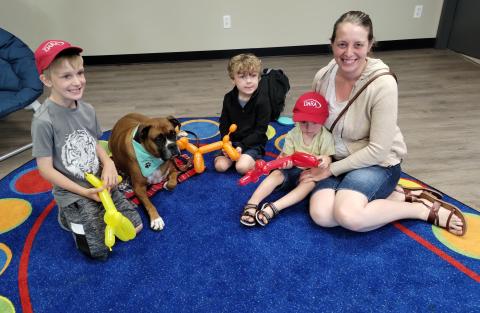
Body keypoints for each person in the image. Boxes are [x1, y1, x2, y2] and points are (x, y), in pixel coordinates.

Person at [301, 11, 466, 235]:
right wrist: (318, 156)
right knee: (322, 216)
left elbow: (378, 150)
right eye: (342, 44)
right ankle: (398, 194)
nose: (348, 53)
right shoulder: (323, 76)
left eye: (358, 44)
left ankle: (419, 208)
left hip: (376, 162)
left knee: (348, 216)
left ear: (370, 45)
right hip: (336, 157)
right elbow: (316, 123)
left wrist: (331, 169)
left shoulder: (383, 84)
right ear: (331, 44)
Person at [31, 40, 143, 260]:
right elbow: (45, 169)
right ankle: (67, 215)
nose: (77, 82)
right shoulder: (43, 121)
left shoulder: (88, 110)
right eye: (66, 76)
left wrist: (109, 163)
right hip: (73, 192)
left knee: (135, 228)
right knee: (97, 250)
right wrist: (84, 193)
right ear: (46, 80)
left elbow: (93, 144)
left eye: (80, 73)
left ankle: (95, 210)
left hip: (101, 183)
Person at [241, 92, 335, 227]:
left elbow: (329, 158)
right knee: (276, 174)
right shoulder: (293, 134)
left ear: (323, 120)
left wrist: (326, 159)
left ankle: (275, 207)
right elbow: (284, 156)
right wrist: (284, 164)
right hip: (292, 168)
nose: (308, 128)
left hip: (310, 173)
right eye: (303, 122)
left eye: (314, 123)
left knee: (309, 185)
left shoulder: (326, 137)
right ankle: (253, 202)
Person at [215, 53, 271, 174]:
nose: (249, 81)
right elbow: (224, 124)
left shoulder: (263, 100)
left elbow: (260, 131)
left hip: (252, 143)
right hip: (232, 142)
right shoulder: (228, 98)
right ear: (233, 79)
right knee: (220, 166)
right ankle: (237, 157)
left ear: (259, 78)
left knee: (241, 167)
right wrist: (226, 142)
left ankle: (251, 159)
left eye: (253, 76)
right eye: (242, 77)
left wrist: (242, 146)